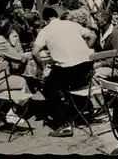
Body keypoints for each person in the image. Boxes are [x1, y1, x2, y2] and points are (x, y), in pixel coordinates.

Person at [32, 8, 97, 137]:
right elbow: (93, 36)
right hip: (86, 67)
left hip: (70, 71)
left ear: (45, 20)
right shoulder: (72, 24)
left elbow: (34, 52)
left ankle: (63, 123)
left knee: (48, 88)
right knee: (59, 77)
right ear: (57, 16)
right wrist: (84, 51)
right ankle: (75, 111)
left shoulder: (45, 30)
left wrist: (42, 66)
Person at [93, 10, 118, 80]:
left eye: (97, 20)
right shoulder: (100, 33)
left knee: (94, 74)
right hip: (106, 65)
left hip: (117, 68)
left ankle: (101, 90)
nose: (94, 22)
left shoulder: (116, 35)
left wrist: (101, 64)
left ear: (105, 21)